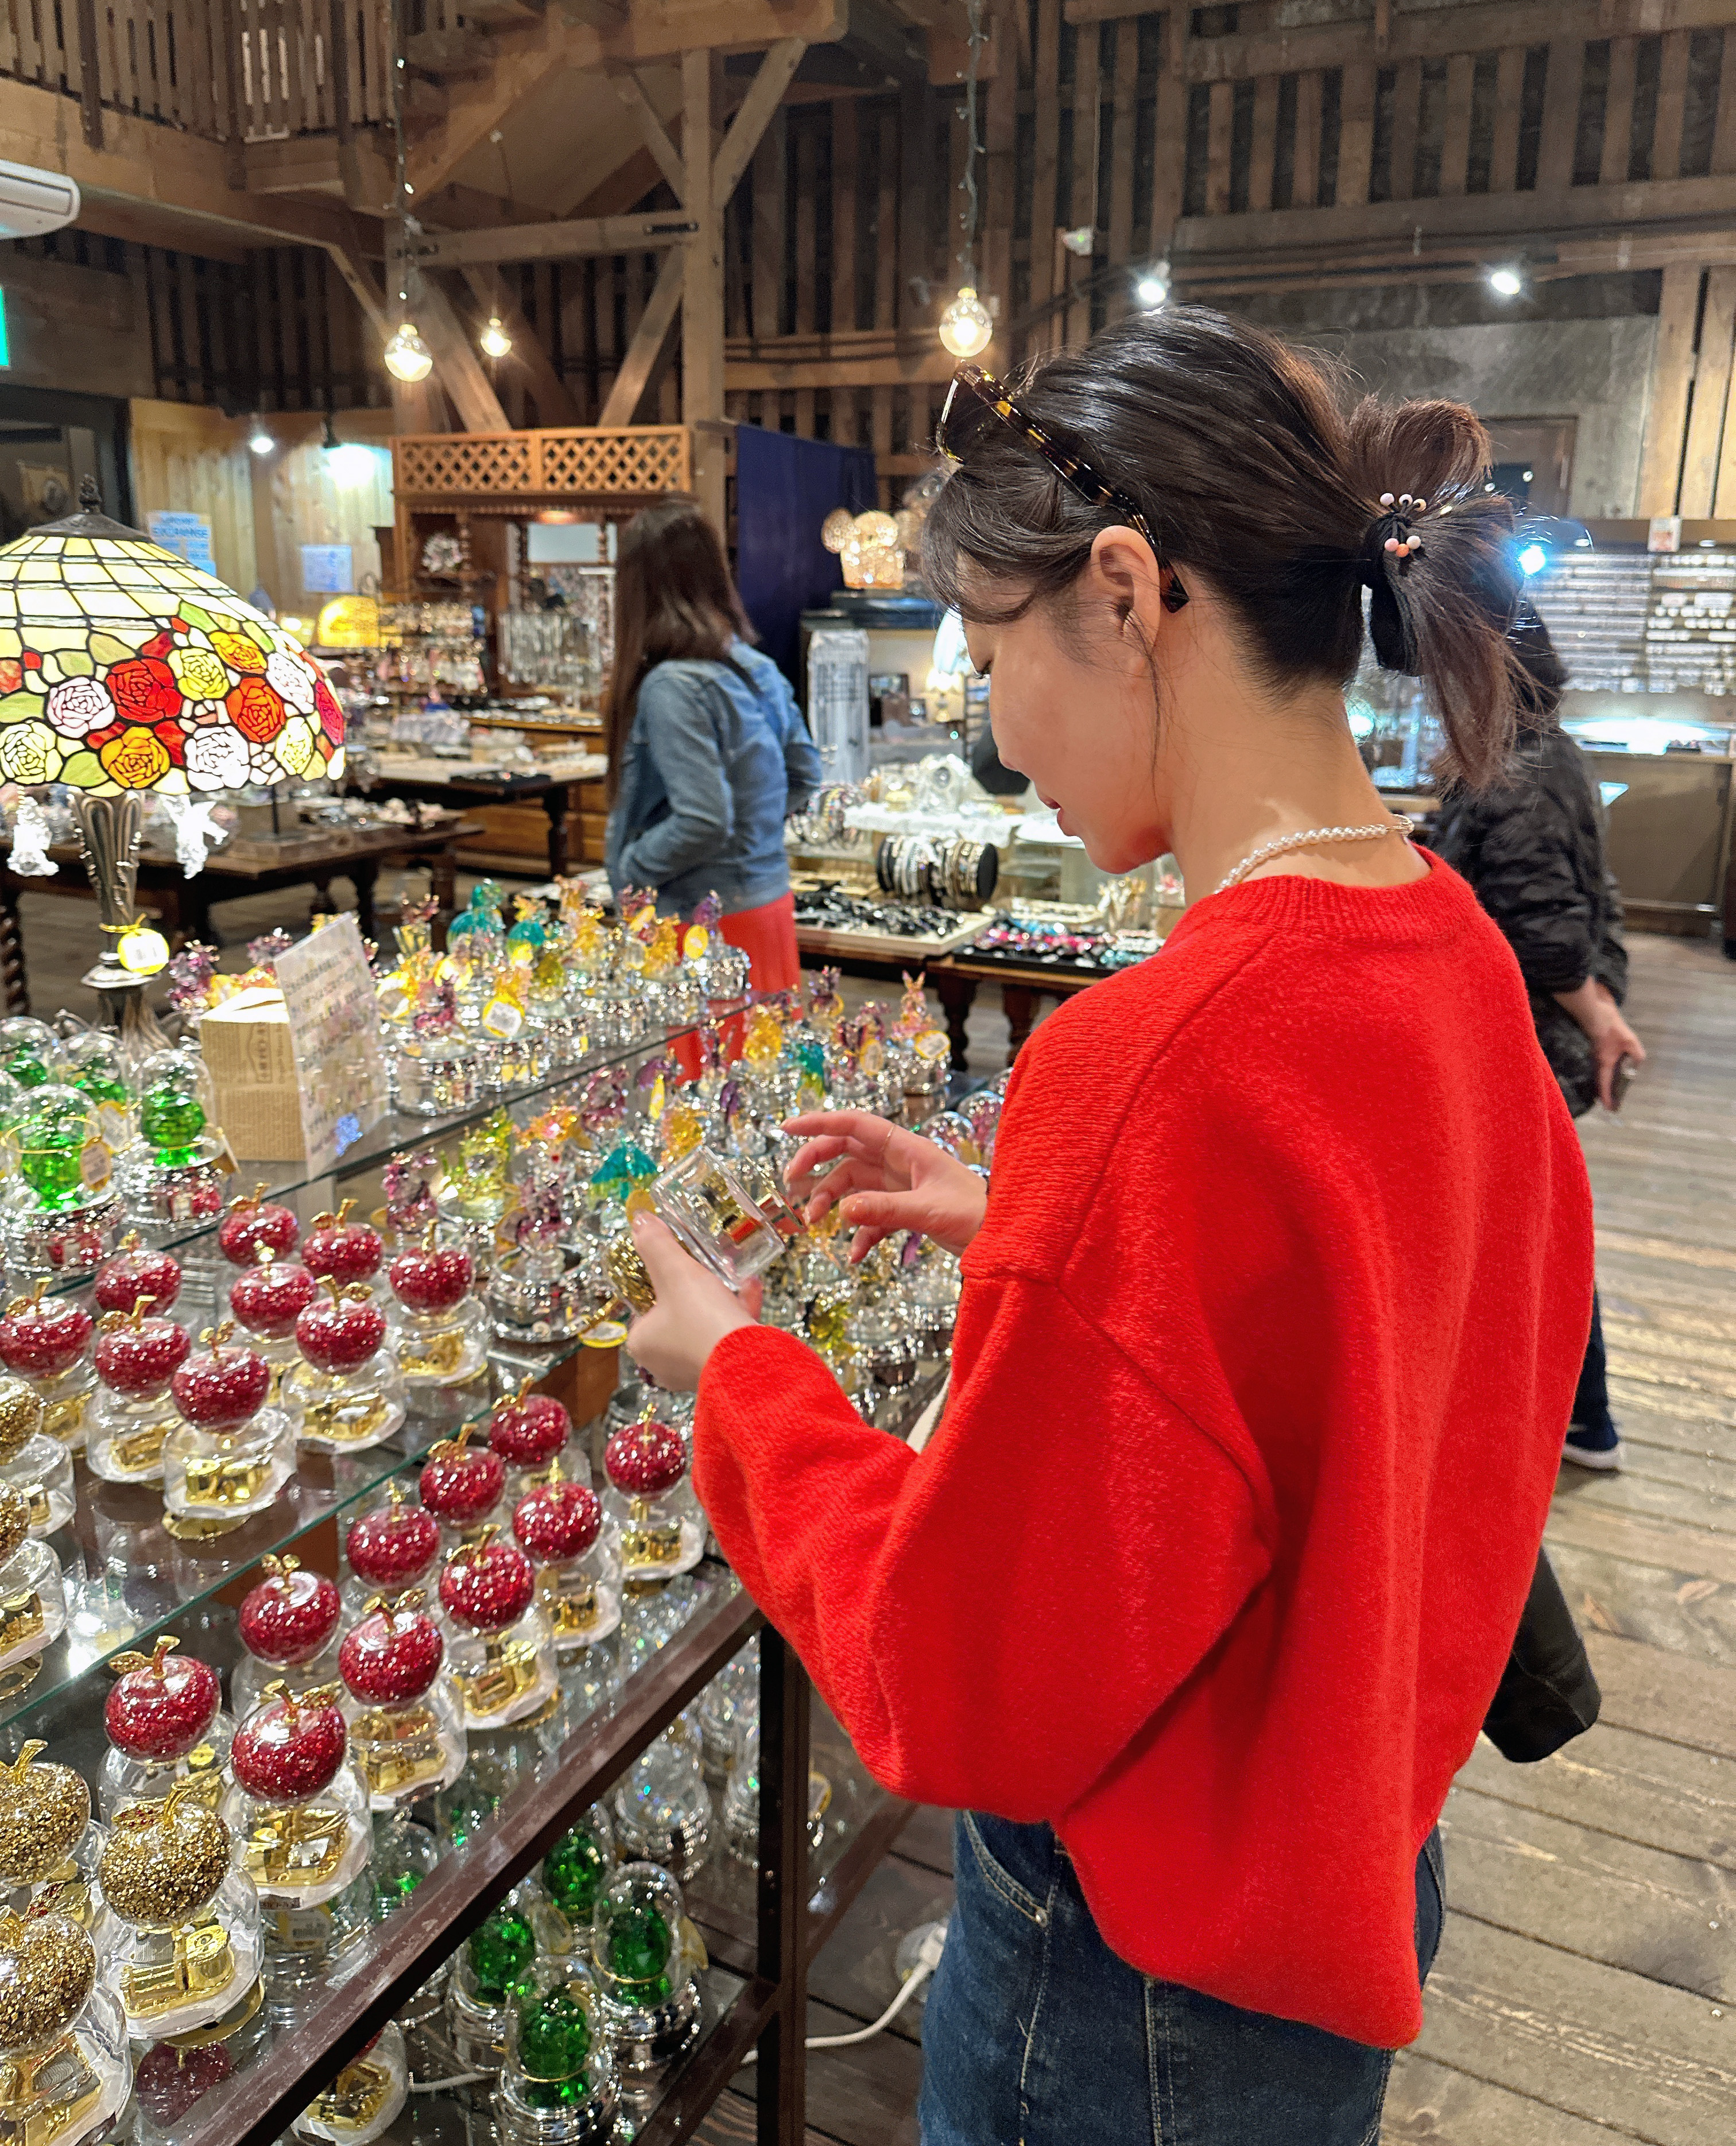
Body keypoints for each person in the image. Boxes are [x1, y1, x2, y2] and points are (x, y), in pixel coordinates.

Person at [624, 312, 1595, 2144]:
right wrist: (1034, 1225)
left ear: (1130, 594)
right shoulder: (1452, 952)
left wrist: (738, 1376)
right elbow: (1385, 1341)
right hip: (1346, 1861)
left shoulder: (1154, 1057)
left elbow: (959, 1679)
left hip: (1138, 1975)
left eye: (993, 649)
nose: (995, 726)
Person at [1431, 603, 1642, 1472]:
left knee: (1529, 1233)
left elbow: (1547, 931)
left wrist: (1599, 1017)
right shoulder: (1552, 752)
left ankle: (1577, 1420)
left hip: (1527, 1040)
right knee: (1537, 1224)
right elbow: (1592, 896)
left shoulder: (1512, 769)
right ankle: (1581, 1420)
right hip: (1540, 1035)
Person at [603, 494, 822, 991]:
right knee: (766, 1039)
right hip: (766, 904)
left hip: (701, 923)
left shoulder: (672, 686)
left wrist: (632, 868)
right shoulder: (755, 667)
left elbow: (704, 818)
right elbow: (805, 774)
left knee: (705, 1043)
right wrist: (752, 833)